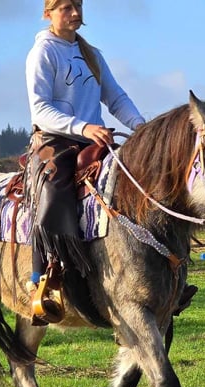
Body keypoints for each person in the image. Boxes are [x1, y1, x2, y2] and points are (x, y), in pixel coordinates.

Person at [25, 0, 145, 324]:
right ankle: (42, 277)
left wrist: (142, 128)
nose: (75, 13)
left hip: (94, 142)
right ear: (48, 12)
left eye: (78, 5)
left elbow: (116, 97)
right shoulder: (43, 53)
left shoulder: (93, 54)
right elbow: (40, 110)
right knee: (53, 195)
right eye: (66, 7)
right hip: (56, 141)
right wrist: (83, 127)